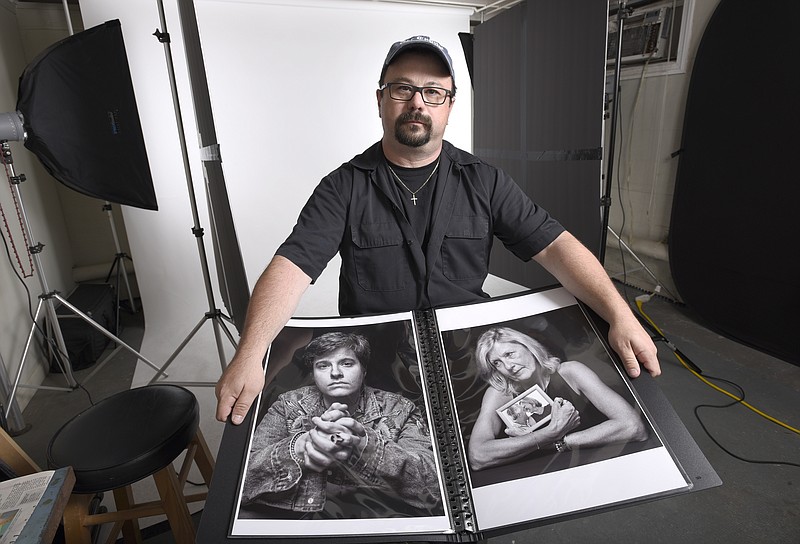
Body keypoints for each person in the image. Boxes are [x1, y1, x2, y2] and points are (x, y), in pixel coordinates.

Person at [216, 35, 660, 426]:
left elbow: (559, 249)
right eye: (403, 89)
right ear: (380, 99)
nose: (417, 103)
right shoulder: (343, 187)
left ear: (449, 106)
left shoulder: (484, 181)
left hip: (469, 363)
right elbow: (291, 268)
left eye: (433, 92)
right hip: (377, 368)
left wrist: (621, 315)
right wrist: (250, 354)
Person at [240, 332, 441, 518]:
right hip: (293, 517)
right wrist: (298, 449)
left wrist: (365, 446)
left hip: (374, 517)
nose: (335, 373)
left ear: (363, 371)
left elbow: (432, 486)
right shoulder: (288, 404)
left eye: (346, 363)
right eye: (323, 365)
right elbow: (242, 482)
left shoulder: (400, 408)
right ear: (313, 374)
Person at [468, 327, 648, 471]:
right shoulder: (500, 392)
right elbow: (478, 457)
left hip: (597, 467)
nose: (508, 366)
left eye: (509, 354)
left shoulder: (570, 372)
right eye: (497, 363)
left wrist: (560, 442)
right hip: (541, 478)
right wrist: (550, 433)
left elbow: (633, 427)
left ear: (528, 347)